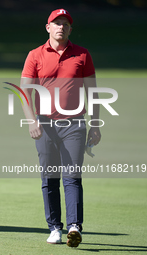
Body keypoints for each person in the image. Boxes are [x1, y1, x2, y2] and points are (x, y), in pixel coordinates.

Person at [20, 9, 101, 247]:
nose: (61, 27)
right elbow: (24, 91)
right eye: (57, 23)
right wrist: (31, 120)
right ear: (48, 27)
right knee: (49, 178)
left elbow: (93, 93)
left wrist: (95, 125)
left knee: (72, 176)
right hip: (44, 124)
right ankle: (55, 227)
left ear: (70, 29)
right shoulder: (35, 55)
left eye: (66, 24)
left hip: (74, 124)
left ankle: (74, 226)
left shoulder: (82, 55)